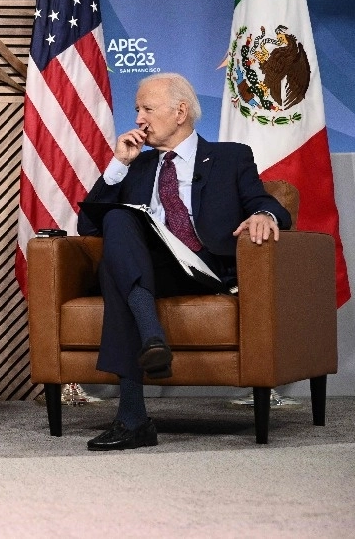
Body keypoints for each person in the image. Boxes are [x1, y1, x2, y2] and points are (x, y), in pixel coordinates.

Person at [76, 73, 291, 451]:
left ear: (180, 111)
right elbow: (87, 224)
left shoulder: (230, 156)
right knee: (116, 219)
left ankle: (132, 416)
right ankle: (150, 342)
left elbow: (264, 200)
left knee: (119, 277)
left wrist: (265, 216)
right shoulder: (138, 165)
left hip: (207, 269)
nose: (139, 118)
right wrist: (118, 165)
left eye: (147, 108)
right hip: (154, 272)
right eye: (137, 109)